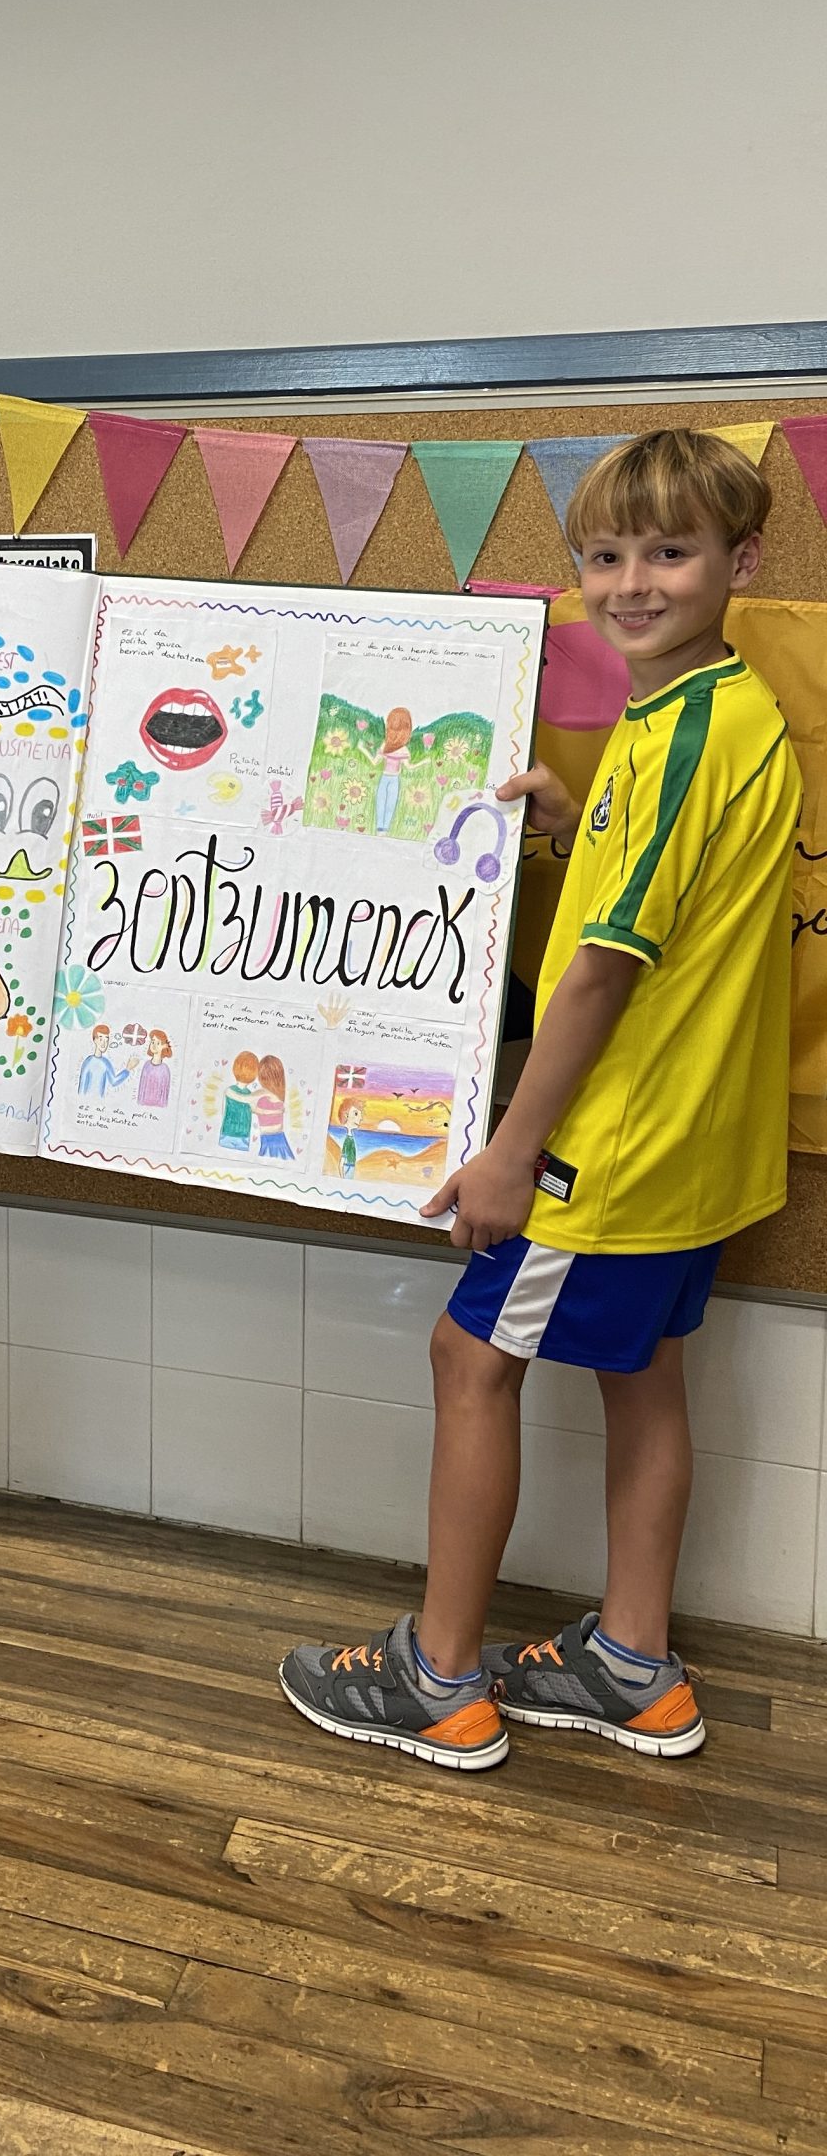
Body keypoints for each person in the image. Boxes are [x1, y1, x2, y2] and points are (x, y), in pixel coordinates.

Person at [281, 430, 799, 1769]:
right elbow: (673, 898)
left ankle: (440, 1680)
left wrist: (513, 1150)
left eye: (669, 552)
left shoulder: (683, 736)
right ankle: (631, 1663)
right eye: (605, 555)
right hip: (695, 1145)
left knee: (470, 1360)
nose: (631, 583)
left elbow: (602, 975)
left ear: (741, 560)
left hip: (611, 1146)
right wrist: (576, 823)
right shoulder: (720, 712)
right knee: (645, 1375)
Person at [374, 705, 412, 834]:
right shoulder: (385, 746)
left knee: (390, 803)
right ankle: (380, 828)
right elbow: (375, 762)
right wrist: (363, 750)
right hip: (386, 778)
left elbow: (408, 766)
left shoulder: (403, 750)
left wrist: (423, 762)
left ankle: (384, 829)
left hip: (393, 779)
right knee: (382, 802)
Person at [253, 1053, 295, 1160]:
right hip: (275, 1137)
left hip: (270, 1138)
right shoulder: (278, 1099)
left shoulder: (264, 1099)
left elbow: (256, 1109)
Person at [77, 1021, 134, 1099]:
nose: (104, 1044)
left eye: (106, 1040)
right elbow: (82, 1086)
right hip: (85, 1101)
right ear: (95, 1040)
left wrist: (127, 1069)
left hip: (99, 1101)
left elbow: (113, 1081)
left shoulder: (106, 1062)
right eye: (101, 1039)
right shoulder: (88, 1061)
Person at [219, 1049, 258, 1150]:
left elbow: (223, 1112)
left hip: (227, 1132)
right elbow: (255, 1110)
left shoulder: (228, 1090)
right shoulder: (250, 1095)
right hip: (243, 1136)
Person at [136, 1028, 173, 1107]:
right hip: (143, 1105)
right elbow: (142, 1088)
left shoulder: (165, 1069)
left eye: (158, 1043)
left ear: (164, 1046)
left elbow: (164, 1092)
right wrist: (140, 1103)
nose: (154, 1045)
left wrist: (162, 1106)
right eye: (152, 1042)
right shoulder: (146, 1065)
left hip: (158, 1106)